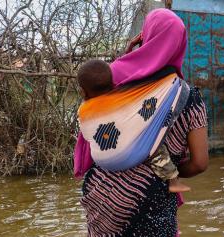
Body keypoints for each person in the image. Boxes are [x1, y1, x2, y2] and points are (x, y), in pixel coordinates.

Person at [75, 9, 208, 237]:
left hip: (103, 199)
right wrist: (166, 173)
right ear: (180, 44)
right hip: (150, 206)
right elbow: (200, 162)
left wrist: (127, 55)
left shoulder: (115, 80)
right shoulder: (189, 97)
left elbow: (91, 120)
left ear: (146, 38)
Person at [76, 59, 191, 193]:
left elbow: (87, 136)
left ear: (83, 92)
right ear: (113, 83)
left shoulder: (82, 112)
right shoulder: (125, 97)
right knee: (154, 145)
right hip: (134, 156)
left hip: (103, 162)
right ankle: (173, 181)